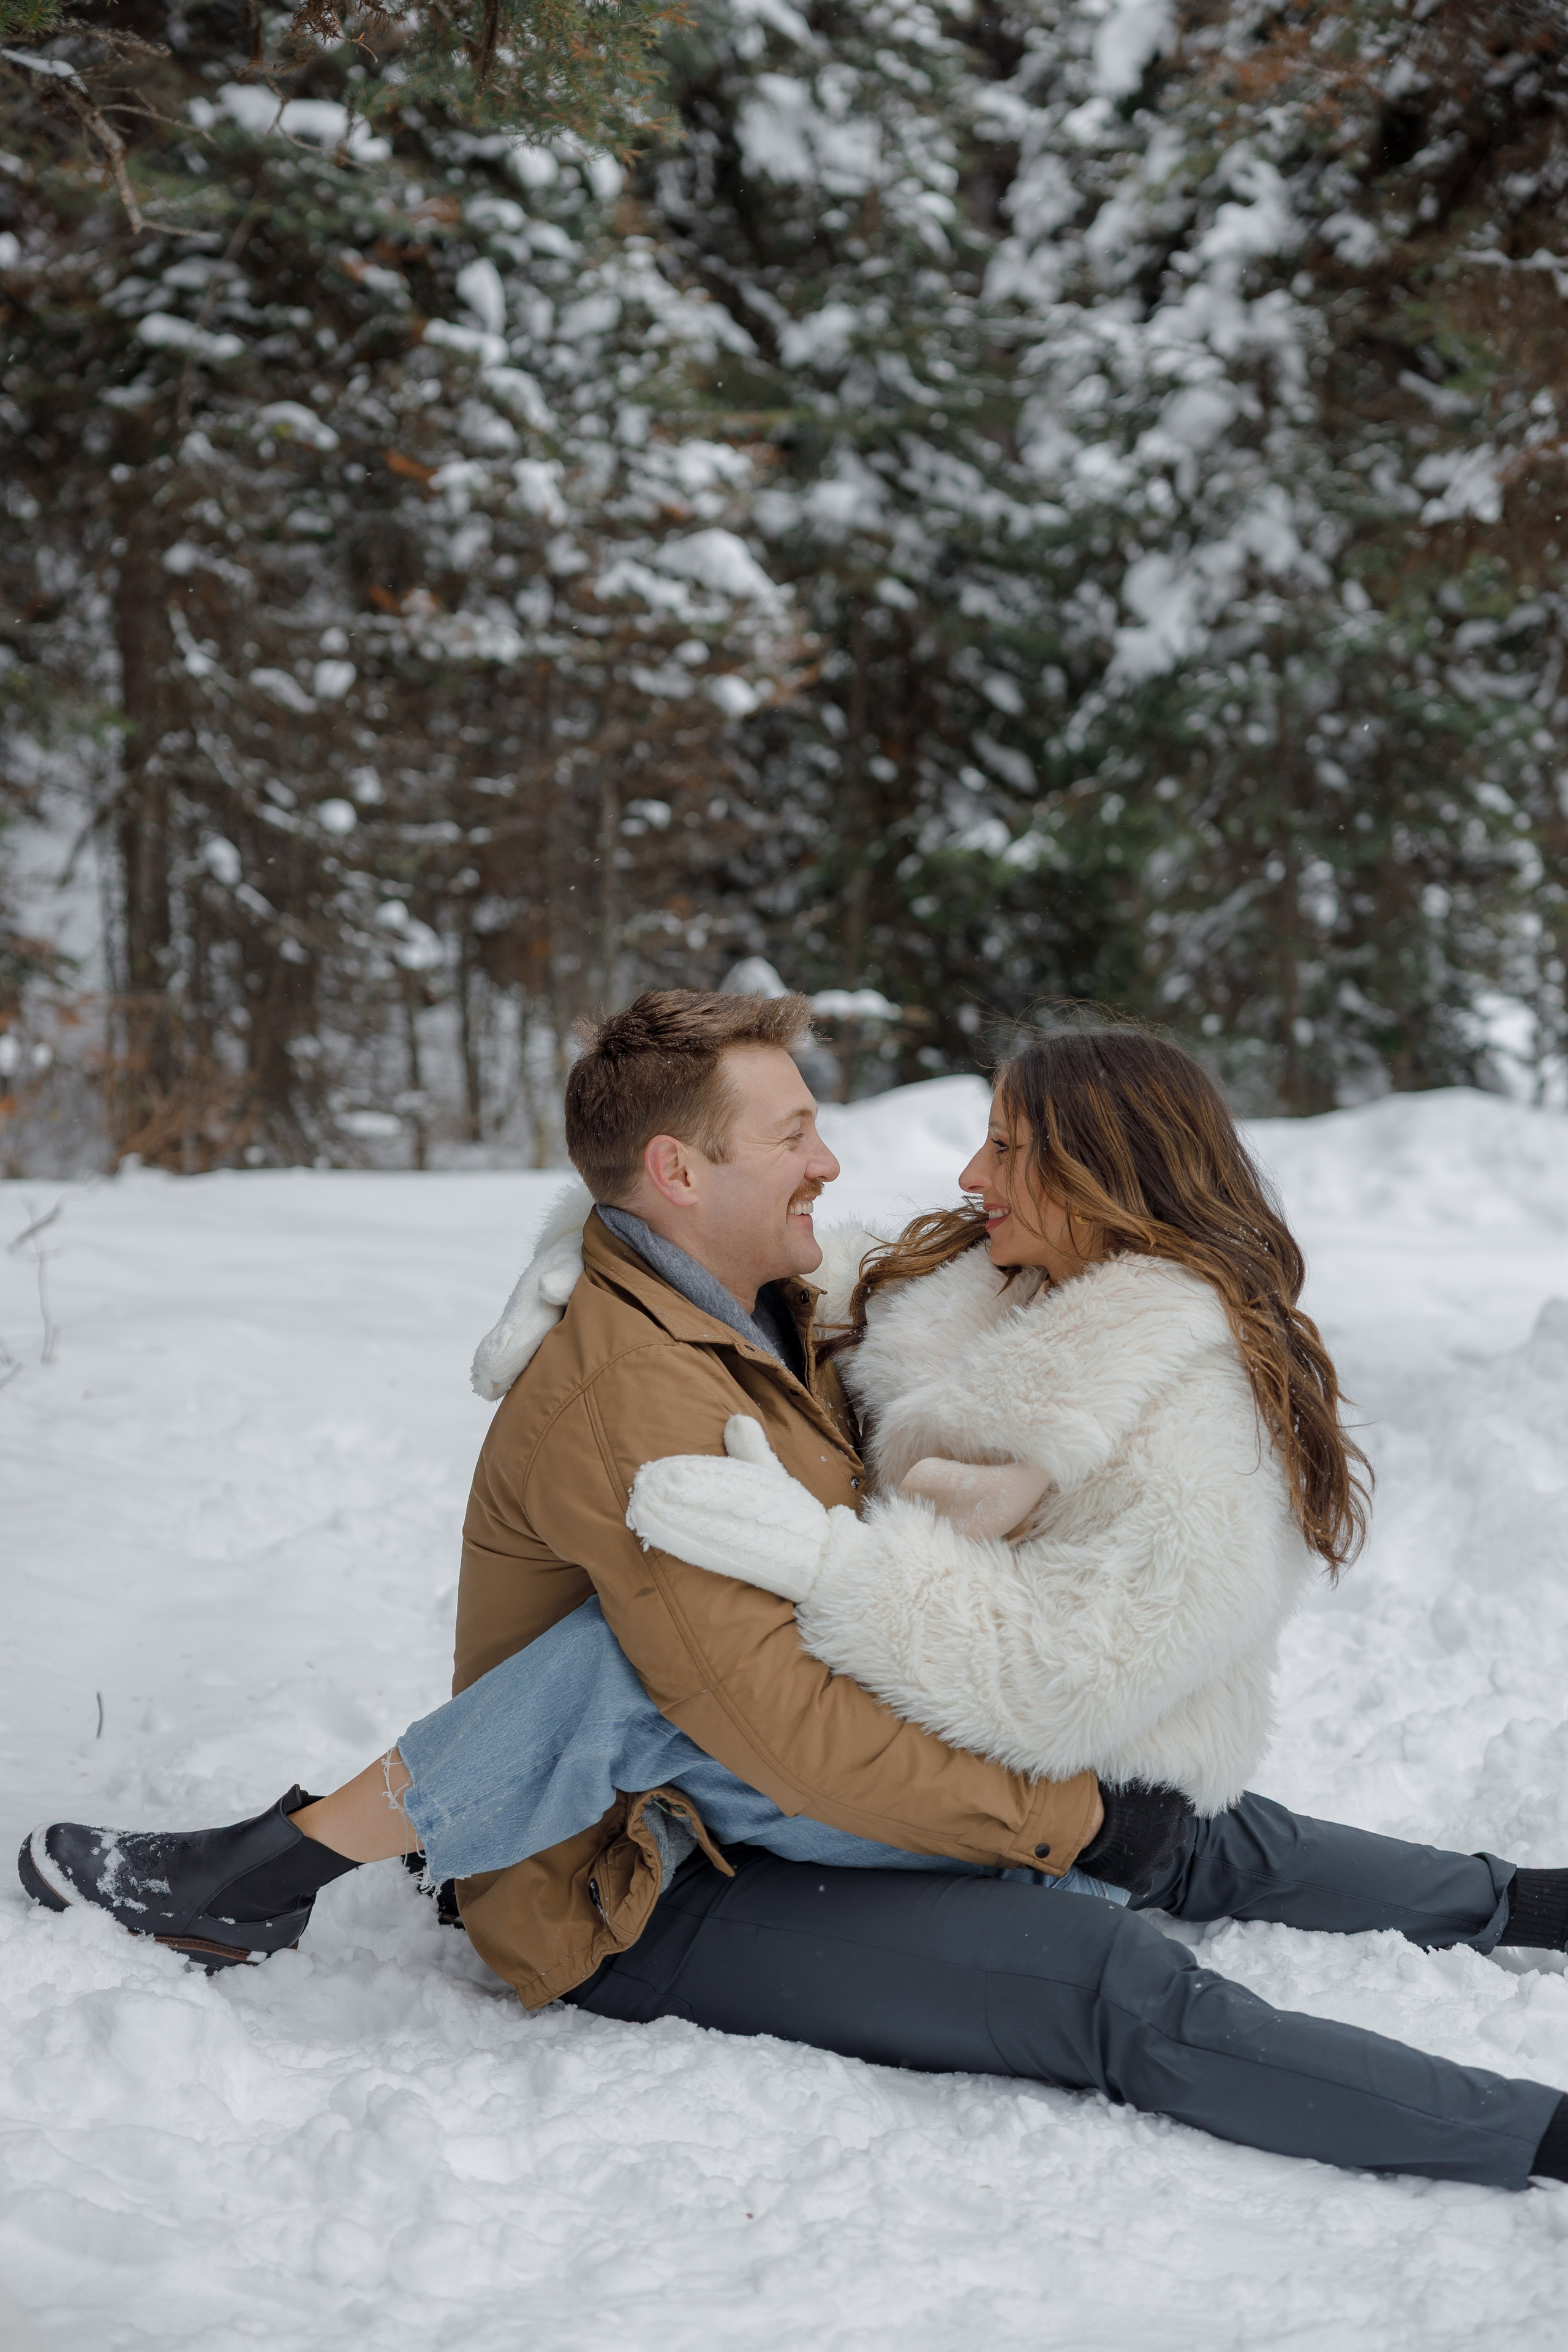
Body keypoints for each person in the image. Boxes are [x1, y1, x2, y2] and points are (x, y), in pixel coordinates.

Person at [18, 989, 1568, 2190]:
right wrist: (1065, 1820)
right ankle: (1538, 2134)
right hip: (648, 1877)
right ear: (686, 1173)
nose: (874, 1165)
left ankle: (1511, 1901)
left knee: (1205, 1837)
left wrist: (602, 1231)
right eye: (797, 1137)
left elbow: (843, 1321)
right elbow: (766, 1722)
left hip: (778, 1778)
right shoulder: (654, 1390)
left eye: (1006, 1145)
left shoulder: (797, 1303)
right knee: (1112, 1973)